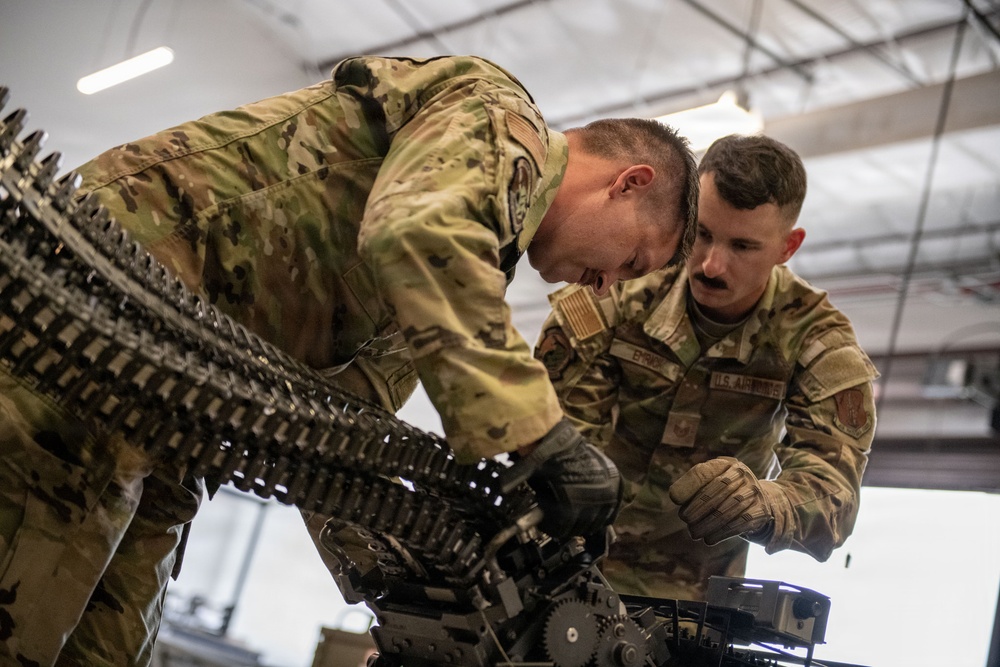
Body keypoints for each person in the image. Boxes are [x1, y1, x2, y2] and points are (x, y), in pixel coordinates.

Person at [0, 55, 699, 666]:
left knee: (108, 641)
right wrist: (544, 435)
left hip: (169, 416)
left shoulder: (464, 276)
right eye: (630, 260)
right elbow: (417, 233)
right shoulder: (497, 116)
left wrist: (428, 589)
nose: (607, 285)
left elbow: (335, 430)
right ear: (629, 182)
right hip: (97, 316)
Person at [535, 133, 878, 601]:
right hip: (564, 567)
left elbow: (834, 499)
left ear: (787, 247)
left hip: (691, 602)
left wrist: (764, 504)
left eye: (743, 246)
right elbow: (555, 436)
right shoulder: (619, 287)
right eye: (702, 234)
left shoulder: (815, 342)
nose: (712, 265)